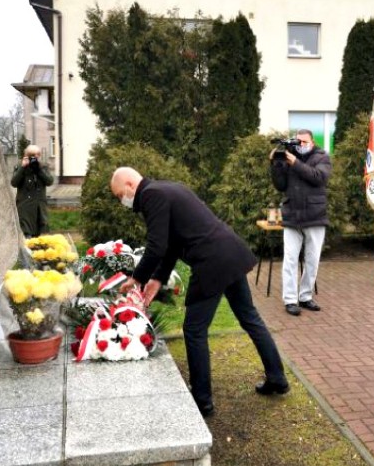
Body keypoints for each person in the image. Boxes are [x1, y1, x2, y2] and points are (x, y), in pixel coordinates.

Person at [110, 167, 289, 417]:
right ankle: (277, 378)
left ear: (130, 184)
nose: (122, 201)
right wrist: (156, 280)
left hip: (211, 261)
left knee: (194, 330)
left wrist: (137, 278)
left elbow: (156, 245)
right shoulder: (168, 188)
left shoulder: (151, 195)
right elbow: (171, 244)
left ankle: (202, 399)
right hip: (230, 252)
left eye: (120, 195)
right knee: (250, 318)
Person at [270, 129, 332, 316]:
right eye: (298, 142)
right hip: (292, 215)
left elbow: (318, 178)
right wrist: (275, 164)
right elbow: (280, 185)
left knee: (312, 260)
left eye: (304, 142)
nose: (301, 145)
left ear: (312, 142)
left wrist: (295, 162)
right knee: (289, 259)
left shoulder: (322, 157)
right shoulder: (289, 156)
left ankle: (305, 296)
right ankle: (290, 300)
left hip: (315, 215)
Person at [11, 145, 54, 238]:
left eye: (38, 154)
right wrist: (23, 168)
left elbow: (50, 181)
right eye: (32, 155)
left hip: (40, 207)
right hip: (25, 207)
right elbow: (14, 183)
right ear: (26, 155)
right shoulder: (20, 166)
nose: (35, 157)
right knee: (27, 235)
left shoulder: (42, 167)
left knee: (42, 236)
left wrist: (39, 170)